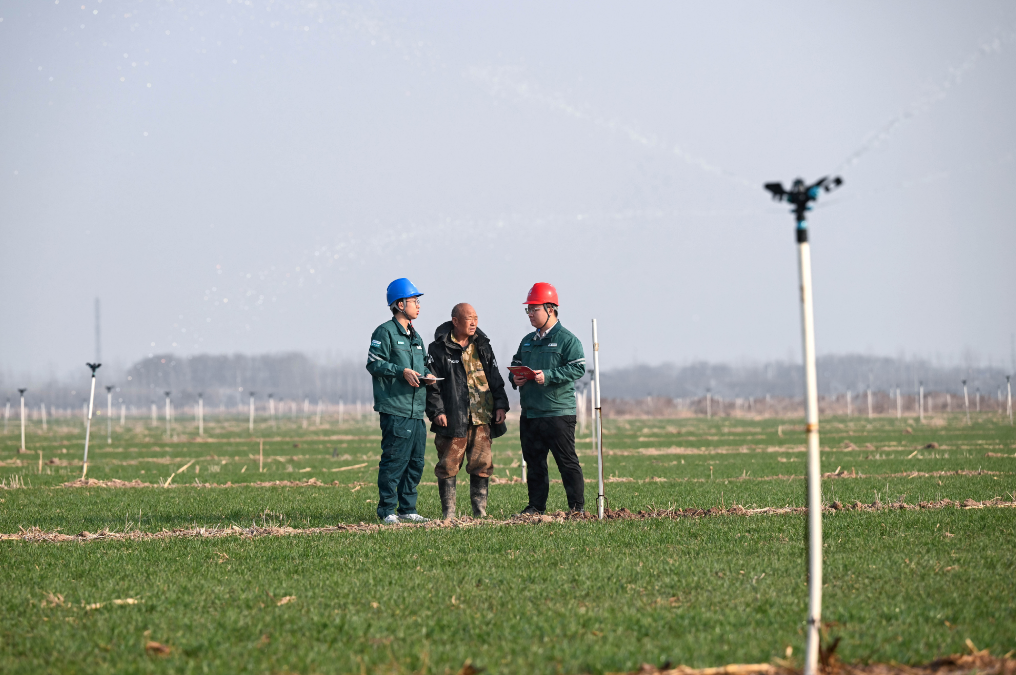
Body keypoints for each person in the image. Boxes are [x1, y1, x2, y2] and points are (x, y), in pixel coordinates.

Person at [425, 303, 509, 519]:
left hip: (482, 417)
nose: (473, 322)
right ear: (455, 321)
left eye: (476, 318)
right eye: (468, 318)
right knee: (448, 466)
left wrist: (500, 405)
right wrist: (437, 411)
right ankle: (449, 515)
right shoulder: (438, 348)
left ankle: (479, 514)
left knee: (482, 466)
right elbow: (432, 385)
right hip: (453, 419)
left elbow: (495, 378)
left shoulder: (483, 345)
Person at [510, 282, 586, 515]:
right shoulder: (527, 341)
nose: (530, 314)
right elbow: (515, 364)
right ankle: (536, 507)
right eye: (528, 310)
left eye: (534, 309)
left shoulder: (567, 340)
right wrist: (516, 378)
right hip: (531, 413)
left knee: (567, 462)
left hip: (558, 413)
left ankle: (577, 508)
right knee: (534, 464)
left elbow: (578, 368)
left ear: (550, 309)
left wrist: (549, 376)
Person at [366, 278, 437, 524]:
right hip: (395, 407)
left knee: (416, 462)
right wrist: (400, 371)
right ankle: (387, 510)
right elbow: (374, 363)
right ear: (399, 304)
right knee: (394, 460)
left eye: (418, 301)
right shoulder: (384, 332)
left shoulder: (416, 337)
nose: (418, 306)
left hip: (417, 409)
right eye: (414, 301)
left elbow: (423, 364)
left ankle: (408, 508)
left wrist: (428, 375)